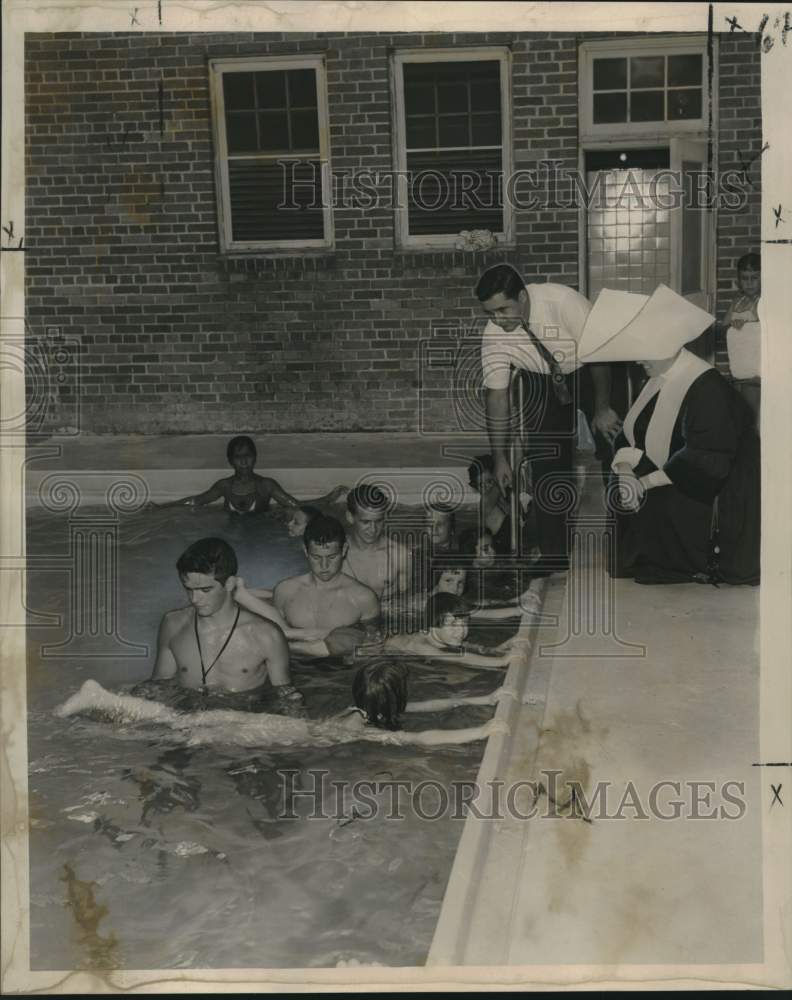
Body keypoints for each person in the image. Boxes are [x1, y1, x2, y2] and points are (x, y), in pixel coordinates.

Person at [578, 285, 760, 586]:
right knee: (625, 496)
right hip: (682, 472)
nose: (638, 361)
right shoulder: (656, 379)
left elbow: (705, 460)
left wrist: (644, 482)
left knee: (652, 511)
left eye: (644, 353)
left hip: (717, 490)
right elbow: (630, 433)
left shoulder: (708, 388)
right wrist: (624, 471)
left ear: (668, 346)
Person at [476, 263, 621, 572]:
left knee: (615, 447)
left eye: (503, 310)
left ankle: (625, 543)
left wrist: (603, 407)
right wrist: (500, 457)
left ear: (523, 297)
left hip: (593, 368)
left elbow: (600, 354)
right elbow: (497, 397)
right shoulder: (494, 334)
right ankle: (555, 553)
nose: (497, 320)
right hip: (542, 378)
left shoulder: (563, 302)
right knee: (546, 460)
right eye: (490, 313)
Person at [55, 670, 510, 748]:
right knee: (176, 729)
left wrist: (482, 700)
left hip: (272, 724)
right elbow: (418, 737)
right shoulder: (363, 731)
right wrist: (483, 730)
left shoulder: (358, 710)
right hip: (268, 735)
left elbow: (419, 710)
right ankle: (98, 703)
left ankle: (101, 700)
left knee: (179, 723)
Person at [147, 537, 304, 710]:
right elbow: (159, 686)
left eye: (205, 590)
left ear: (229, 583)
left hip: (242, 724)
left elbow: (287, 697)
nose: (194, 599)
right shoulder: (173, 624)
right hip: (188, 721)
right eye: (188, 589)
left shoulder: (267, 635)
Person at [251, 514, 382, 659]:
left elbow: (373, 647)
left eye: (332, 557)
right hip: (297, 668)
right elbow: (272, 635)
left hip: (341, 673)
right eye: (316, 557)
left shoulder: (363, 598)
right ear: (305, 551)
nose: (324, 566)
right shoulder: (285, 591)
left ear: (344, 550)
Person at [147, 436, 346, 515]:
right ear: (230, 461)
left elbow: (295, 506)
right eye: (238, 457)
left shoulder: (266, 486)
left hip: (261, 535)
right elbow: (196, 501)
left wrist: (329, 499)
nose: (243, 462)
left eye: (248, 456)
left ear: (255, 458)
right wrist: (163, 507)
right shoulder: (224, 486)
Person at [385, 593, 515, 669]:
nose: (461, 631)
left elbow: (464, 646)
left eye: (464, 623)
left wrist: (495, 650)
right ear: (432, 625)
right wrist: (501, 661)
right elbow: (459, 658)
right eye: (452, 624)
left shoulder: (443, 637)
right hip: (383, 649)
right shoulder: (421, 645)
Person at [342, 484, 411, 600]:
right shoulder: (335, 553)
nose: (373, 529)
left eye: (378, 521)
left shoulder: (400, 554)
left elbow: (407, 600)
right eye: (365, 522)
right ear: (350, 517)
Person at [722, 252, 761, 431]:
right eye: (745, 278)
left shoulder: (763, 302)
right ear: (739, 280)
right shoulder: (737, 302)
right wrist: (733, 324)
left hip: (756, 372)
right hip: (739, 368)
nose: (750, 283)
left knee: (753, 417)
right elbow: (724, 326)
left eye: (754, 278)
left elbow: (766, 330)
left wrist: (747, 325)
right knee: (739, 413)